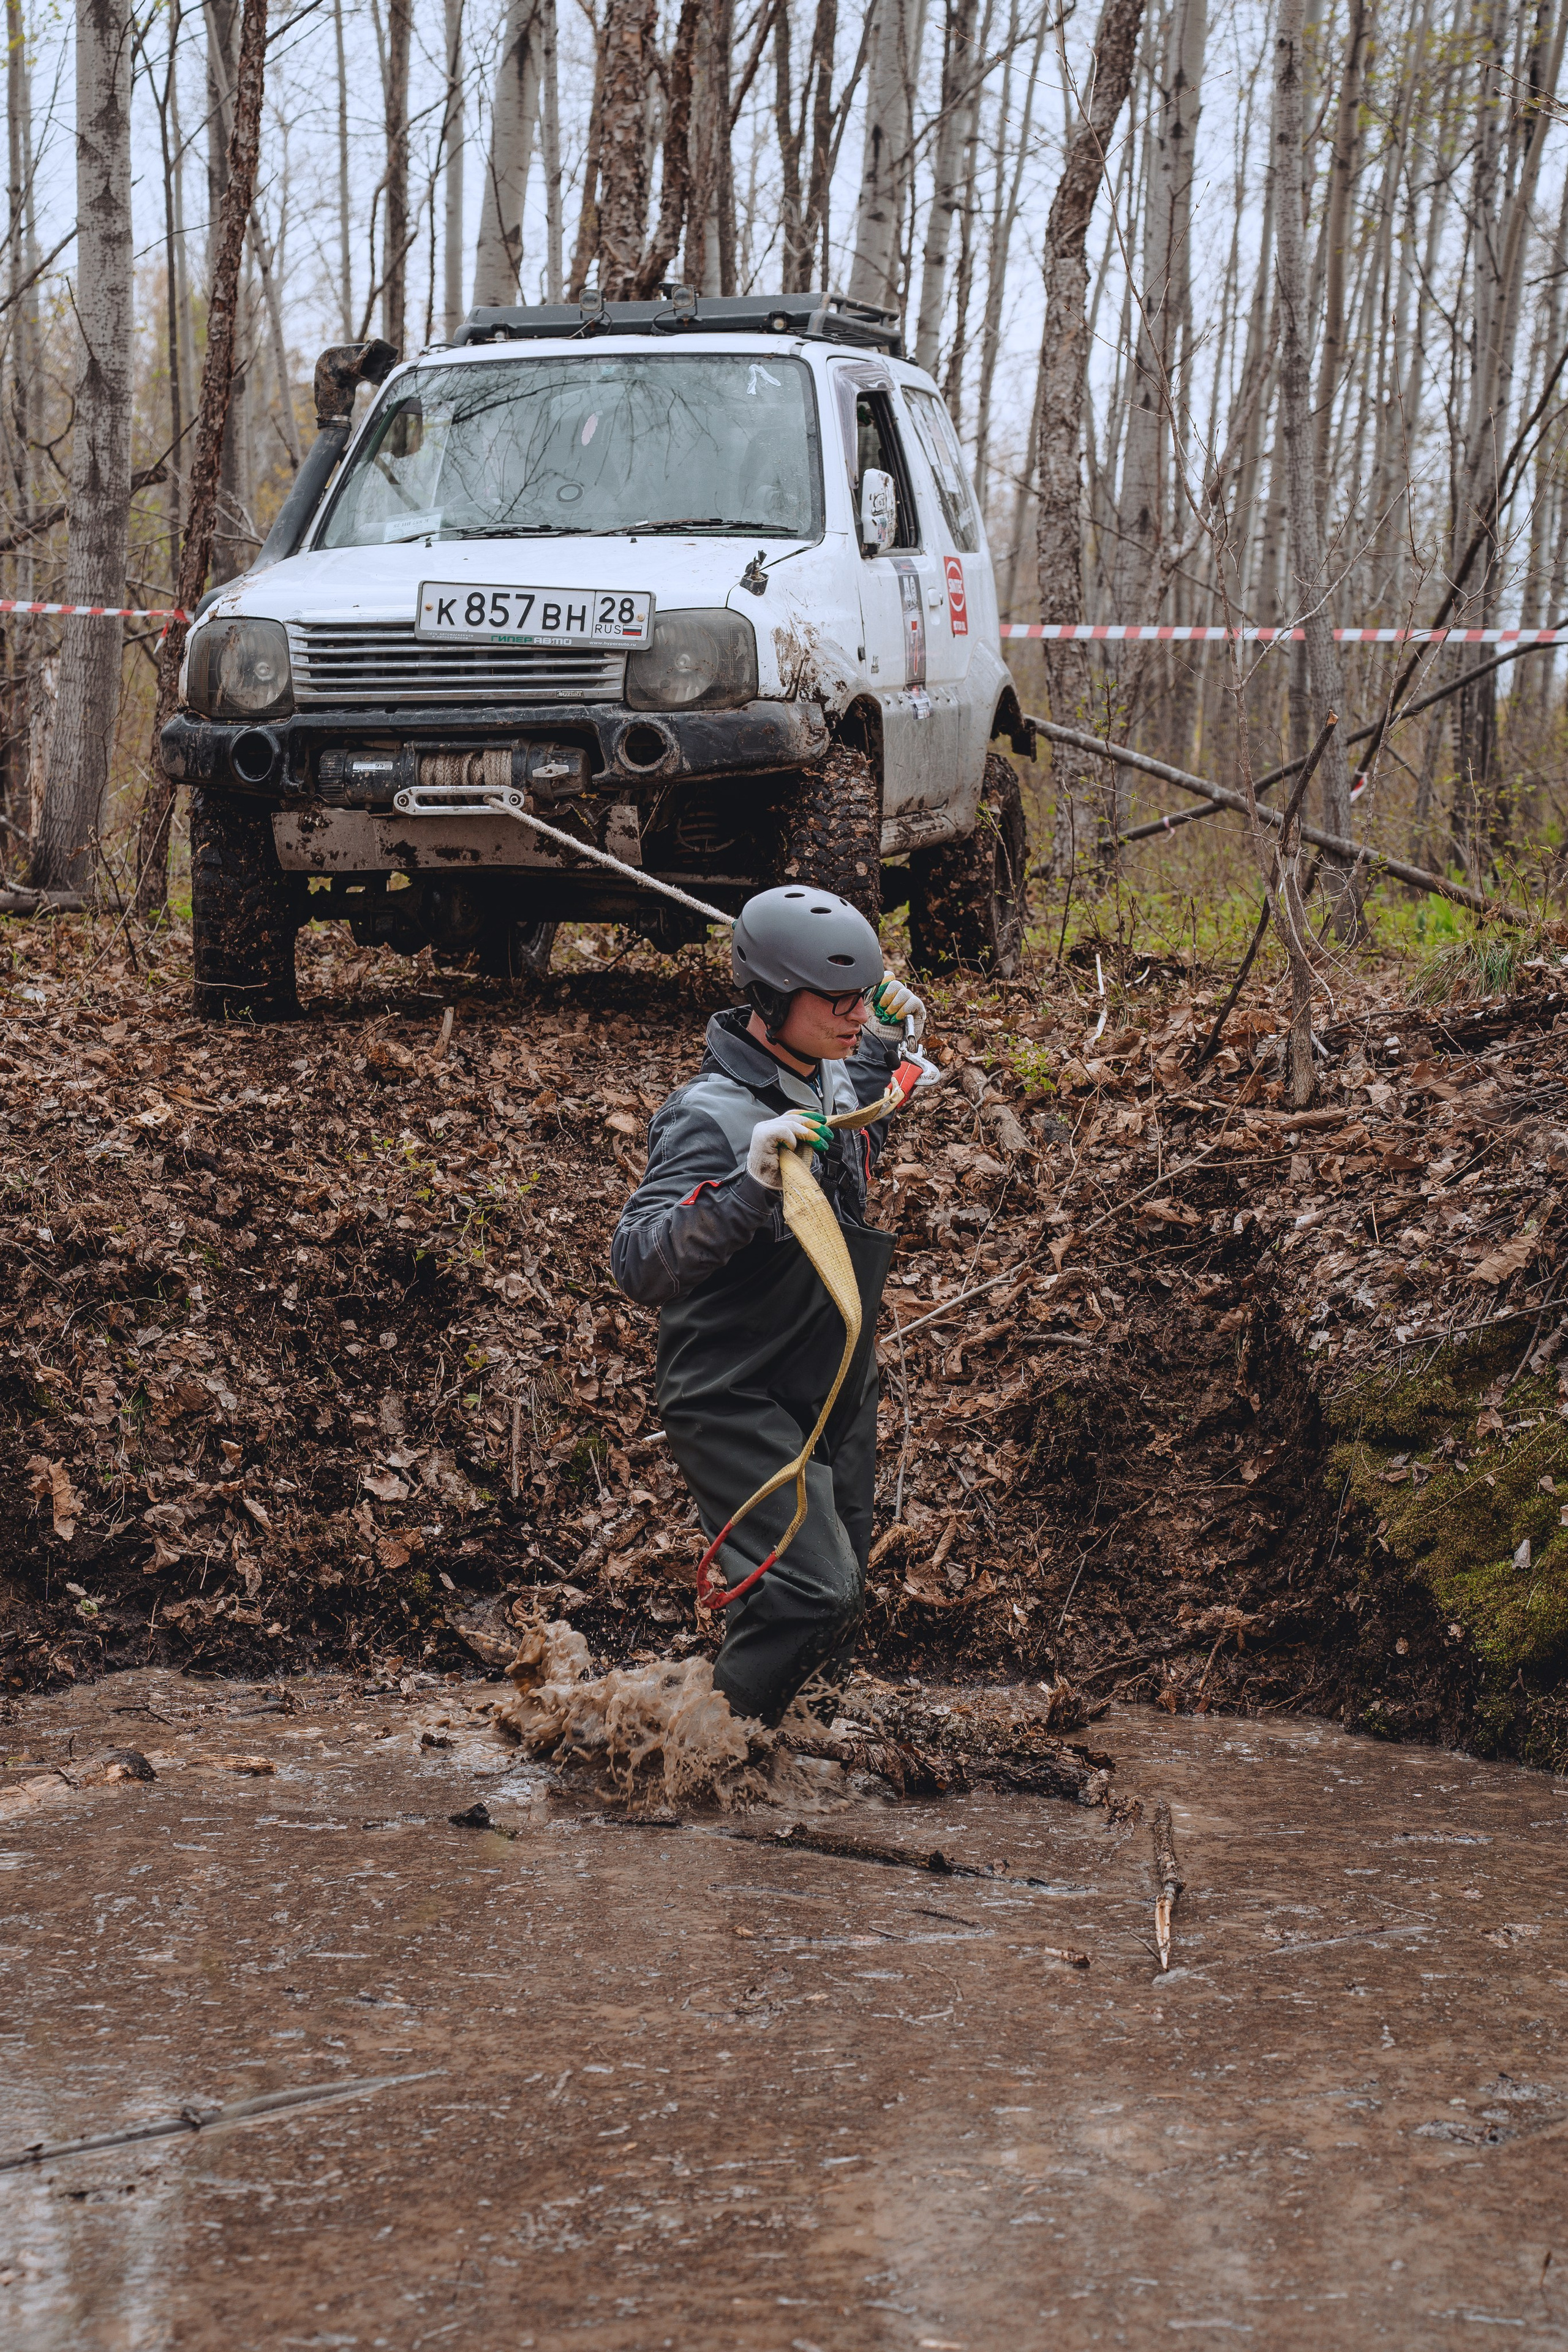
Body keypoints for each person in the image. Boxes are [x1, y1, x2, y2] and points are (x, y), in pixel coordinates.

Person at [610, 886, 925, 1727]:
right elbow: (638, 1260)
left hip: (829, 1390)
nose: (857, 1013)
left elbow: (850, 1147)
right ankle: (701, 1762)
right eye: (840, 1002)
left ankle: (794, 1772)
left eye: (865, 995)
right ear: (774, 1000)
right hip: (734, 1394)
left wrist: (887, 1044)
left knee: (838, 1607)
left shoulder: (827, 1071)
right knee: (811, 1591)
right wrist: (745, 1186)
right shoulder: (709, 1117)